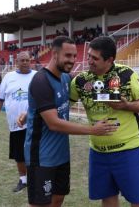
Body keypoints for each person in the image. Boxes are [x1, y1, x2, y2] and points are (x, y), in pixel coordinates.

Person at [23, 36, 116, 207]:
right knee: (40, 203)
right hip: (42, 157)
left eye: (74, 56)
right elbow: (54, 123)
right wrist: (92, 130)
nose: (72, 60)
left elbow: (88, 82)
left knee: (58, 199)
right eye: (67, 56)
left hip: (61, 155)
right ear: (55, 54)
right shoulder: (41, 81)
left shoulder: (67, 79)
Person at [70, 36, 139, 207]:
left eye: (95, 58)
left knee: (138, 200)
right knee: (107, 198)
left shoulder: (126, 74)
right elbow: (63, 105)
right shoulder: (80, 81)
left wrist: (126, 105)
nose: (89, 61)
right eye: (89, 56)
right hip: (98, 152)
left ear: (109, 60)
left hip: (128, 150)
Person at [0, 52, 37, 193]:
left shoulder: (37, 76)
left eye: (27, 60)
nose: (25, 62)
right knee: (19, 154)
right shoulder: (9, 77)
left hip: (34, 124)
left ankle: (36, 179)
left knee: (35, 153)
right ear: (16, 62)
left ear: (31, 61)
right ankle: (23, 180)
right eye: (22, 60)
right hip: (15, 125)